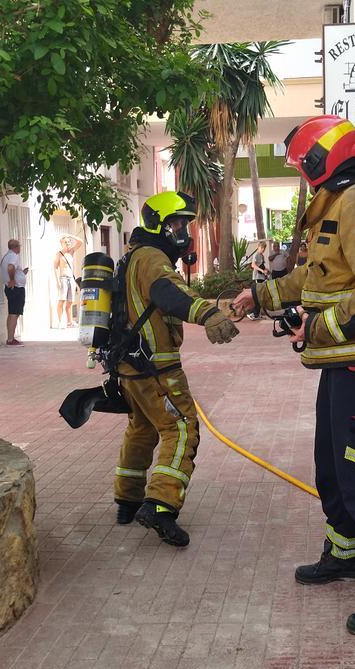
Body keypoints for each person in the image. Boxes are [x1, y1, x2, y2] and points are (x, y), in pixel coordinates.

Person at [232, 115, 355, 636]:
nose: (301, 177)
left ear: (321, 162)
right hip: (340, 361)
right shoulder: (334, 208)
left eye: (302, 167)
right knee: (330, 466)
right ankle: (345, 553)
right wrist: (260, 296)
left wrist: (319, 327)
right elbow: (313, 280)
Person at [113, 190, 239, 547]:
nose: (184, 229)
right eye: (178, 222)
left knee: (142, 429)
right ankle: (161, 506)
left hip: (129, 368)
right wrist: (209, 313)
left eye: (185, 222)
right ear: (160, 225)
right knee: (182, 429)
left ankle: (127, 499)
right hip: (156, 367)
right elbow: (167, 294)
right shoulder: (152, 258)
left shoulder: (131, 256)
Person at [0, 239, 29, 346]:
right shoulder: (14, 256)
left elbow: (12, 269)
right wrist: (12, 280)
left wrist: (22, 273)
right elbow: (10, 267)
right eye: (19, 246)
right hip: (16, 288)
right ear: (16, 247)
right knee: (14, 313)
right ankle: (11, 340)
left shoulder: (6, 256)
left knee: (12, 312)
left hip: (10, 288)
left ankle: (10, 338)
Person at [53, 235, 84, 328]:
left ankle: (69, 321)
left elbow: (80, 241)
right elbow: (54, 267)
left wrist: (70, 235)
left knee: (70, 301)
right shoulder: (59, 254)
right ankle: (60, 321)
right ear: (62, 244)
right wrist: (57, 281)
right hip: (63, 278)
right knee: (62, 300)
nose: (68, 244)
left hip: (71, 279)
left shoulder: (71, 252)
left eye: (69, 242)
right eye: (66, 242)